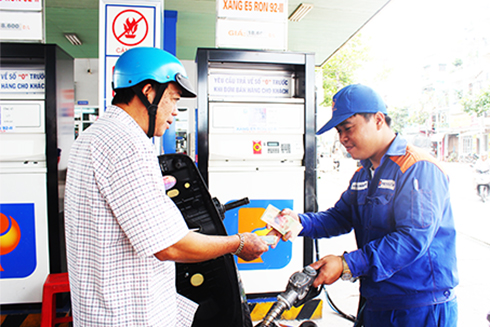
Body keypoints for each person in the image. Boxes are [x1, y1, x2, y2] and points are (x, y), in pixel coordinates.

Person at [64, 47, 268, 327]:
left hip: (97, 310)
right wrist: (239, 243)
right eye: (172, 99)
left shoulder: (90, 138)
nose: (175, 111)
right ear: (148, 91)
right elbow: (169, 246)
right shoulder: (129, 144)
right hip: (129, 316)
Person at [270, 84, 459, 326]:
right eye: (339, 132)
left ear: (379, 120)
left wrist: (347, 263)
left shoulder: (416, 168)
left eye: (348, 128)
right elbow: (339, 217)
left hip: (419, 307)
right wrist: (299, 222)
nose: (342, 139)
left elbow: (412, 239)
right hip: (377, 300)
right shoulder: (364, 174)